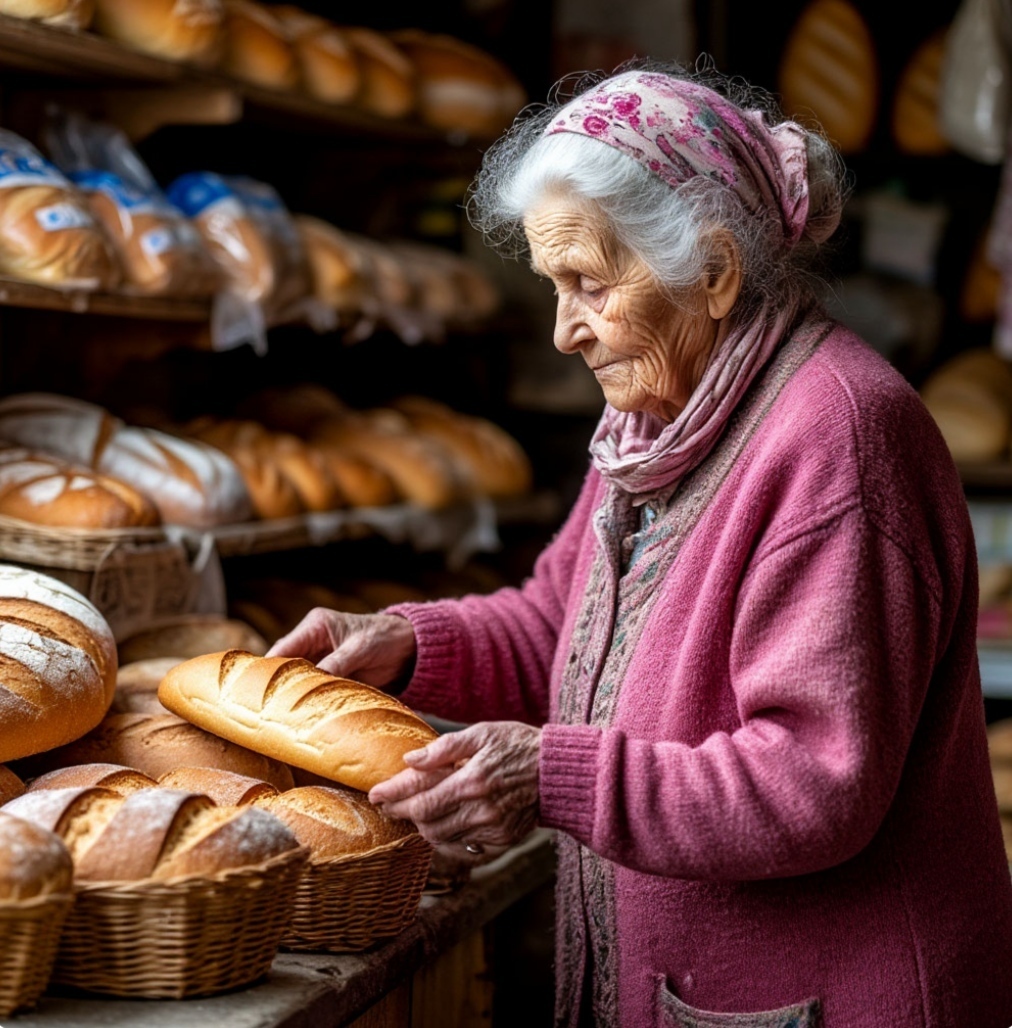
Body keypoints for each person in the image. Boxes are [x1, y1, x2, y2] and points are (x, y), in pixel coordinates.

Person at [268, 59, 1012, 1027]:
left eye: (587, 284)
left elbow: (812, 779)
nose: (563, 332)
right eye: (552, 284)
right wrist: (408, 643)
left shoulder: (839, 436)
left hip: (832, 995)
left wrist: (549, 773)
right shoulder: (660, 423)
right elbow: (559, 620)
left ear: (711, 271)